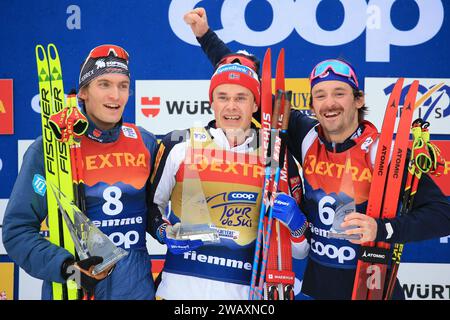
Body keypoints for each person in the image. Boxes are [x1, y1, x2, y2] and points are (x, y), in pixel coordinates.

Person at [184, 8, 450, 300]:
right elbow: (252, 83)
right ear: (312, 103)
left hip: (371, 285)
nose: (329, 103)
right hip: (315, 286)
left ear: (359, 99)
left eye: (339, 93)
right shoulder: (306, 135)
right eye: (320, 95)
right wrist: (205, 36)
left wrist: (382, 229)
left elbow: (442, 214)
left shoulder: (382, 151)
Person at [2, 44, 159, 300]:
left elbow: (156, 210)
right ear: (84, 92)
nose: (115, 96)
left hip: (136, 291)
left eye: (123, 85)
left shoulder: (145, 142)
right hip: (75, 291)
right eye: (104, 84)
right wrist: (69, 270)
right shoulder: (51, 148)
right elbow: (17, 231)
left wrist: (169, 230)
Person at [147, 62, 308, 299]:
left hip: (245, 294)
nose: (231, 106)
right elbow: (150, 206)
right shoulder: (180, 145)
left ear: (255, 104)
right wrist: (164, 232)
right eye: (223, 97)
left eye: (241, 98)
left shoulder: (277, 156)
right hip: (179, 291)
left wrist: (297, 225)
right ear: (211, 102)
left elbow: (299, 250)